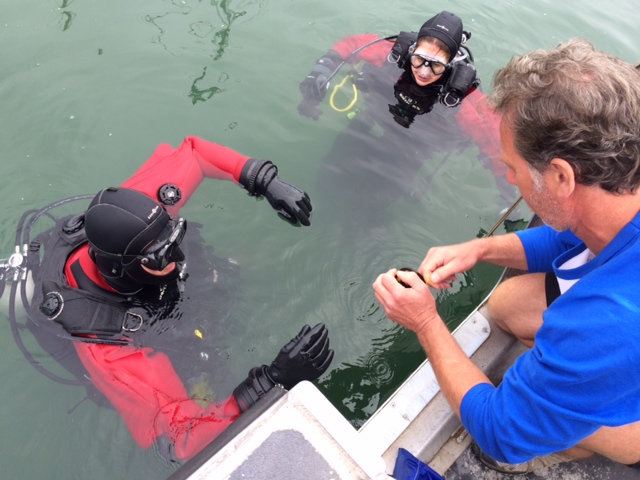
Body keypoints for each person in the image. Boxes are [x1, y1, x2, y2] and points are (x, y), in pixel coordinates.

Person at [373, 39, 640, 474]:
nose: (509, 177)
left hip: (622, 356)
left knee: (524, 426)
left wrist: (425, 321)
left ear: (560, 176)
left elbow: (501, 433)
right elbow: (571, 239)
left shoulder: (607, 321)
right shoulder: (617, 201)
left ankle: (587, 437)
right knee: (508, 304)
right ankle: (567, 403)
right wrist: (478, 249)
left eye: (512, 168)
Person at [11, 136, 333, 461]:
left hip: (144, 290)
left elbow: (193, 153)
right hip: (144, 342)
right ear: (125, 268)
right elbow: (184, 438)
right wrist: (271, 381)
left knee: (228, 269)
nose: (179, 256)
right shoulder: (112, 356)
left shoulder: (143, 214)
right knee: (206, 382)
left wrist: (264, 181)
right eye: (164, 254)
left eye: (174, 236)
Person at [297, 11, 516, 220]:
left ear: (449, 65)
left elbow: (497, 143)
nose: (424, 72)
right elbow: (354, 44)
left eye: (436, 66)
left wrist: (507, 197)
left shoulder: (466, 102)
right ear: (413, 49)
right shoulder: (392, 54)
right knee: (327, 175)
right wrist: (321, 71)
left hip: (412, 149)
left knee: (371, 205)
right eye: (420, 59)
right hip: (372, 121)